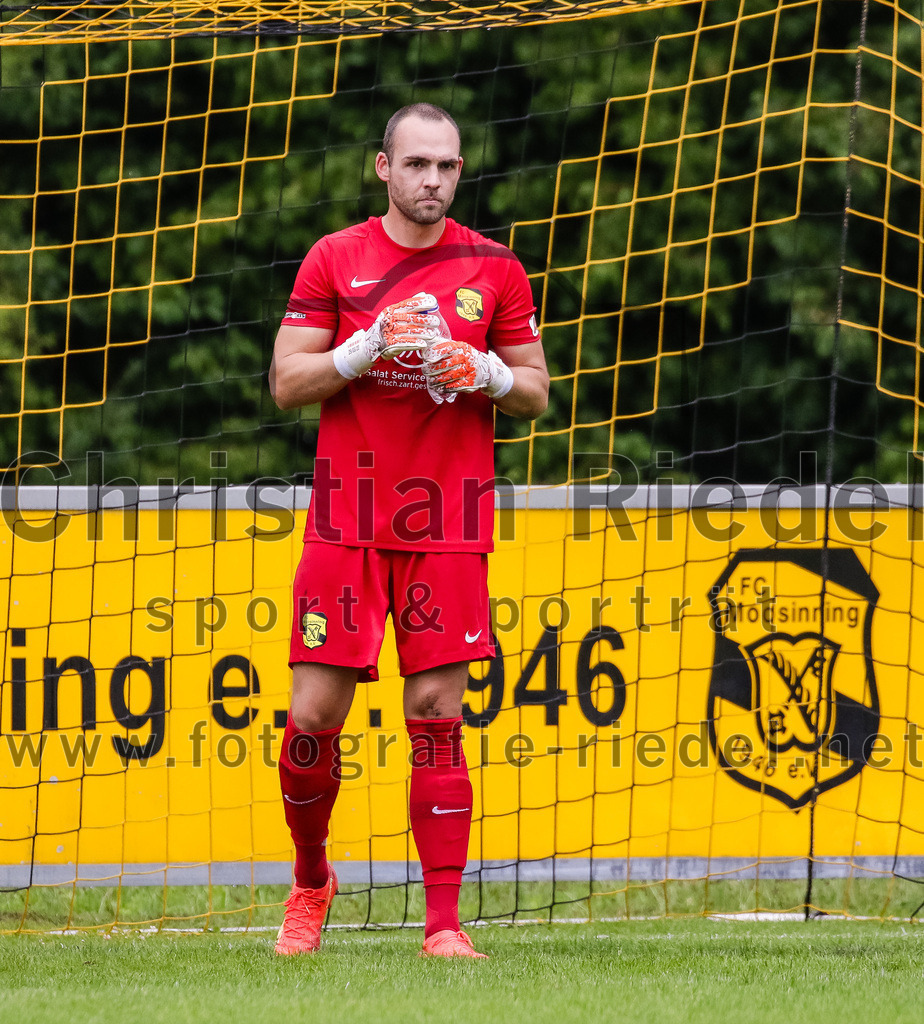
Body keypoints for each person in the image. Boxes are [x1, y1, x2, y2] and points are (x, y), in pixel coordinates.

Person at [268, 102, 549, 959]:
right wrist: (360, 353)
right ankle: (312, 881)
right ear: (382, 167)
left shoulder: (494, 268)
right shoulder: (336, 260)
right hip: (346, 517)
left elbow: (536, 391)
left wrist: (489, 370)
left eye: (449, 167)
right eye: (418, 164)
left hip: (449, 519)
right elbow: (286, 383)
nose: (434, 180)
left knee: (435, 714)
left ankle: (443, 925)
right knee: (313, 716)